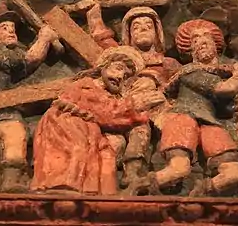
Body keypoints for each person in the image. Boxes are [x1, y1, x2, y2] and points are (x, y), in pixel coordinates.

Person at [126, 19, 238, 196]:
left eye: (206, 37)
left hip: (209, 122)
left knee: (234, 173)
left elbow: (228, 107)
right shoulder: (191, 72)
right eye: (195, 41)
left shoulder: (218, 72)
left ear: (216, 46)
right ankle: (138, 188)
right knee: (179, 169)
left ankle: (200, 191)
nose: (201, 43)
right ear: (191, 52)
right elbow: (226, 89)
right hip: (182, 119)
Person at [31, 46, 164, 195]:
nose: (120, 76)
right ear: (104, 67)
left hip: (87, 129)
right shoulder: (87, 85)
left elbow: (111, 114)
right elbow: (105, 112)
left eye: (126, 76)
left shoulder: (108, 95)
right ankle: (61, 185)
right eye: (117, 68)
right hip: (64, 124)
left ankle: (98, 194)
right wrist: (134, 104)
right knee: (77, 148)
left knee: (107, 154)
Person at [0, 1, 59, 192]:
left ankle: (11, 180)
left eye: (13, 28)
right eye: (4, 28)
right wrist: (44, 38)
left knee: (15, 135)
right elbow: (29, 60)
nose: (10, 31)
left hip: (4, 107)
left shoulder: (8, 52)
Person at [86, 2, 181, 186]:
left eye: (148, 26)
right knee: (121, 137)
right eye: (136, 27)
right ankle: (106, 176)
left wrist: (163, 96)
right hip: (121, 108)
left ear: (157, 32)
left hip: (155, 110)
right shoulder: (122, 57)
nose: (142, 30)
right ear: (128, 34)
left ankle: (135, 172)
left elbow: (181, 88)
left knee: (146, 129)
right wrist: (93, 11)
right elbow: (101, 36)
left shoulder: (168, 63)